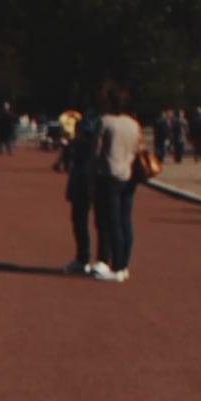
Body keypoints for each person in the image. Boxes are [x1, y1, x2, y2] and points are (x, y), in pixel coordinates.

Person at [93, 87, 141, 281]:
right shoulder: (133, 124)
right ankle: (124, 264)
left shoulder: (105, 121)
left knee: (110, 221)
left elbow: (96, 150)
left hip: (109, 174)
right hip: (128, 174)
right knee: (125, 220)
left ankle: (117, 265)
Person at [61, 106, 103, 273]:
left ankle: (83, 258)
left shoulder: (79, 145)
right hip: (98, 180)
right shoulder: (97, 142)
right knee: (101, 223)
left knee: (80, 221)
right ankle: (102, 260)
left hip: (83, 182)